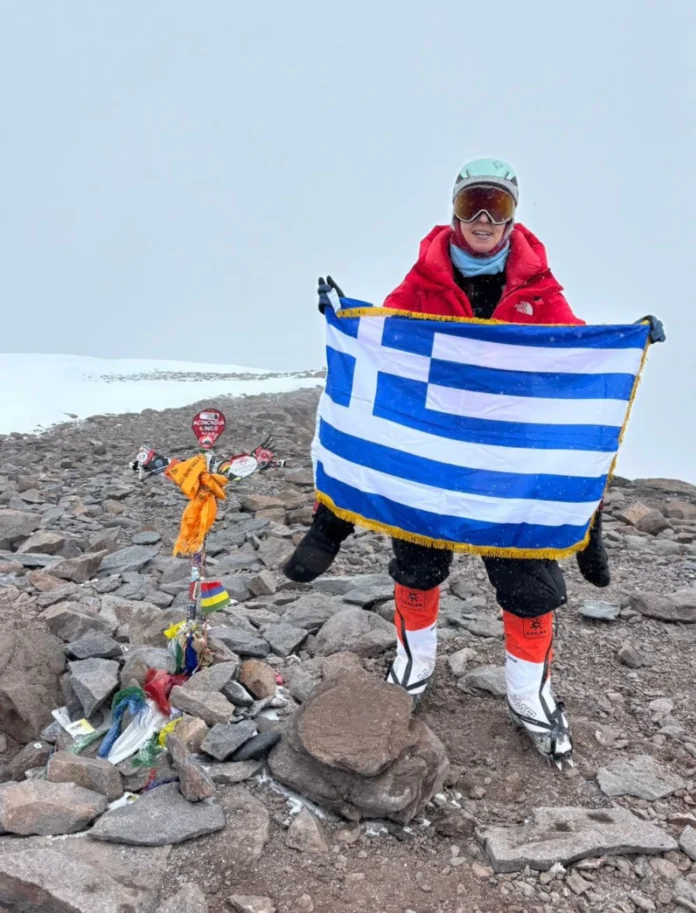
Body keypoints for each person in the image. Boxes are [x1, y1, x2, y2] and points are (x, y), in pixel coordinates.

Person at [283, 158, 665, 767]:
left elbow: (571, 360)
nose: (484, 218)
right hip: (433, 458)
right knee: (417, 562)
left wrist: (624, 342)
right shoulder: (422, 281)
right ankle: (414, 662)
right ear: (455, 210)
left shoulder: (539, 289)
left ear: (513, 215)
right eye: (471, 204)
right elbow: (389, 349)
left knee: (529, 581)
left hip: (506, 464)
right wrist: (345, 317)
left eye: (498, 205)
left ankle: (528, 693)